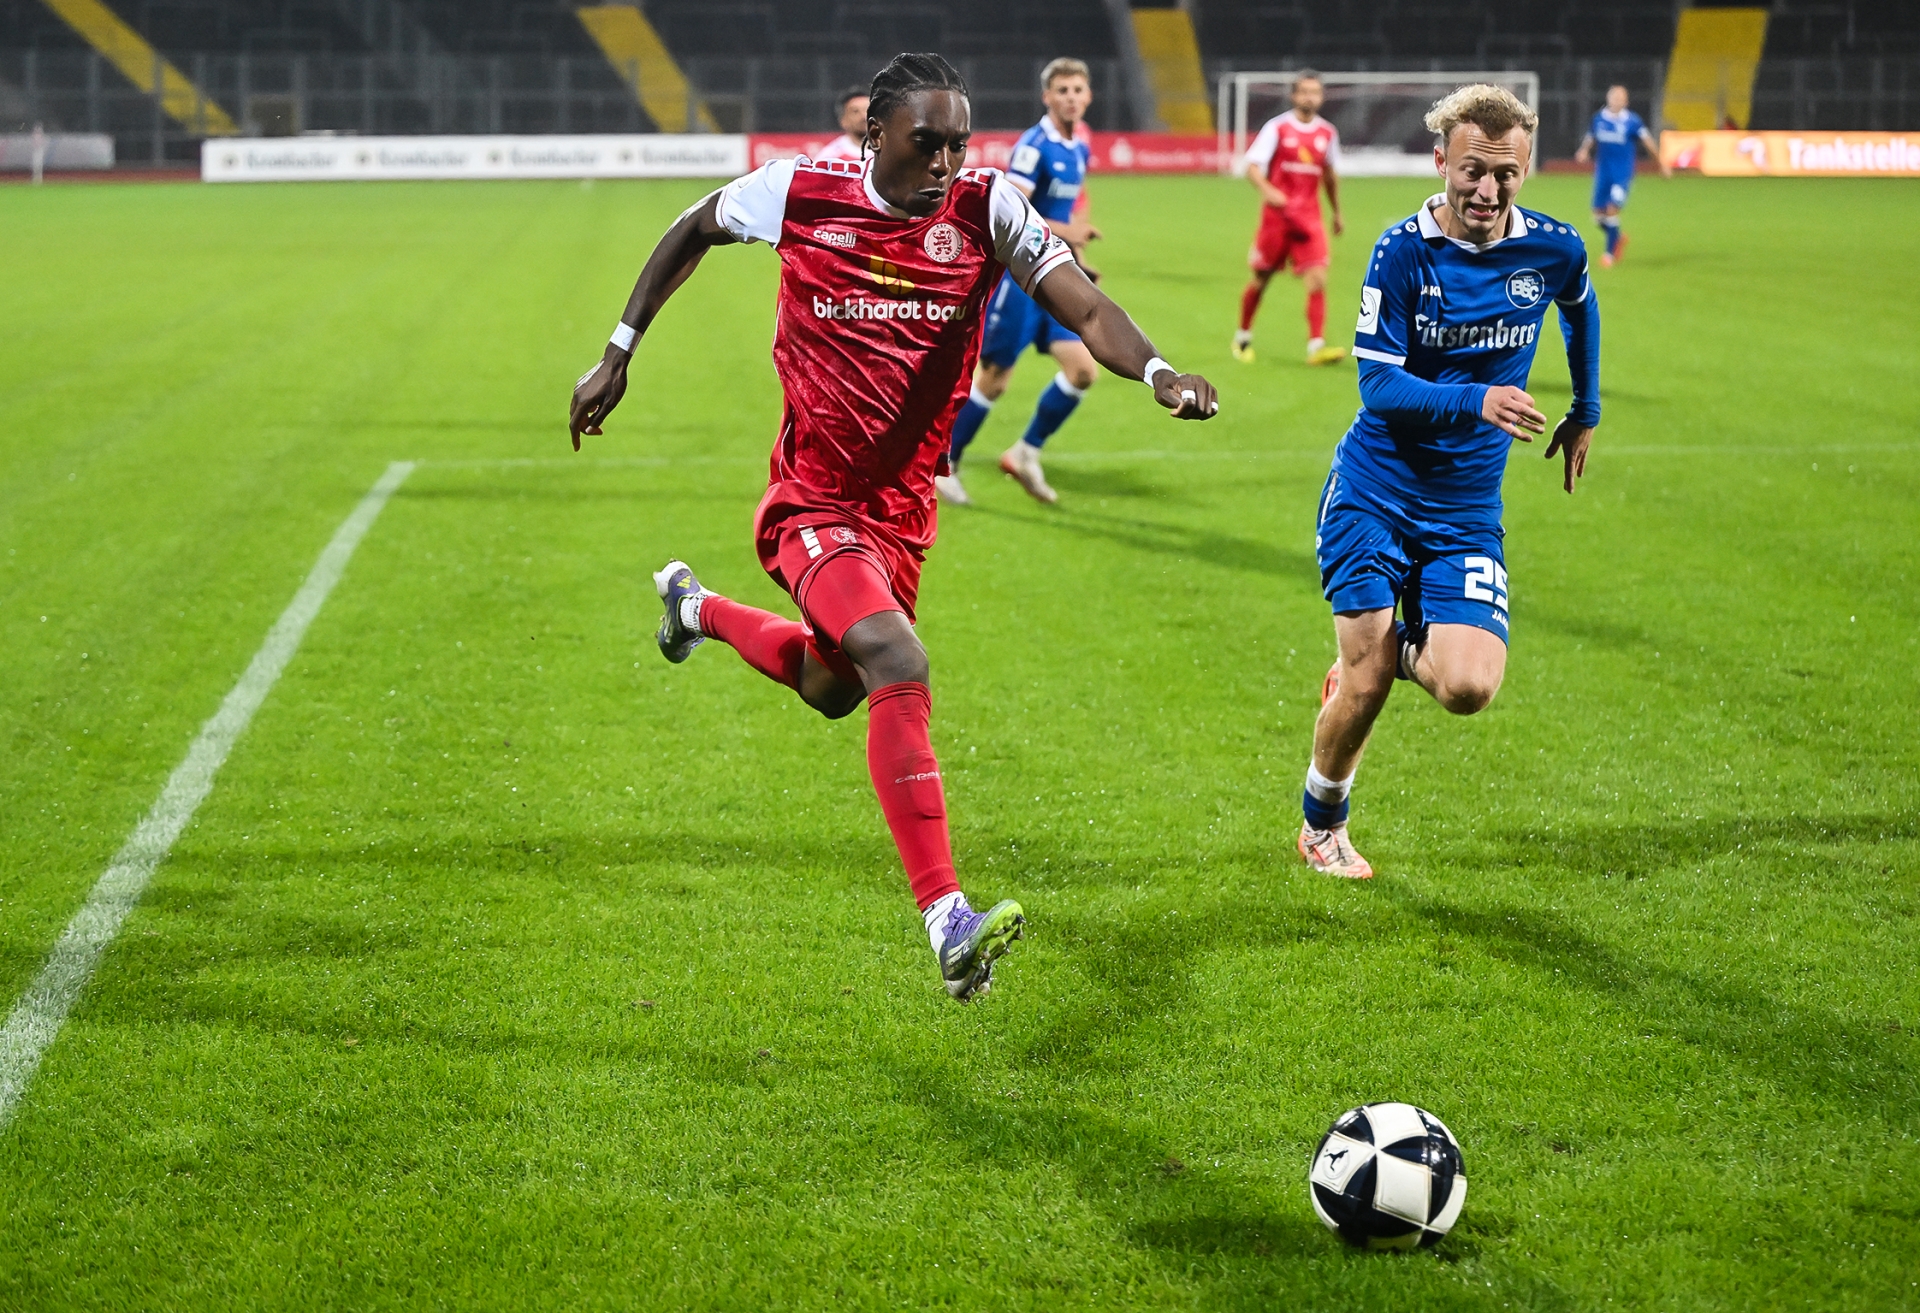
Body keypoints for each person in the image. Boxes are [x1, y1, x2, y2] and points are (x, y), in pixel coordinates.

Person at [568, 53, 1219, 998]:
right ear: (876, 134)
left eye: (959, 143)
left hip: (903, 513)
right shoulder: (802, 190)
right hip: (811, 498)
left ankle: (695, 609)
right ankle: (948, 919)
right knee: (896, 658)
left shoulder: (987, 208)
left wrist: (1159, 372)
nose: (947, 162)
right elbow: (692, 226)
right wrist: (617, 351)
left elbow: (1081, 300)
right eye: (928, 142)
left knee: (833, 686)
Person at [1296, 84, 1599, 879]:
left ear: (1525, 171)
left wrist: (1587, 408)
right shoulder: (1402, 252)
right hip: (1374, 490)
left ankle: (1389, 653)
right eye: (1473, 171)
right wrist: (1478, 399)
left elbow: (1580, 304)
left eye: (1506, 174)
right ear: (1441, 162)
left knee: (1468, 688)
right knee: (1363, 685)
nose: (1488, 191)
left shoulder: (1554, 248)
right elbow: (1377, 385)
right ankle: (1323, 825)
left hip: (1465, 508)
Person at [936, 57, 1100, 507]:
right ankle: (946, 465)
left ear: (1088, 96)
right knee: (994, 378)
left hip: (1057, 276)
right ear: (1047, 97)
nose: (1070, 98)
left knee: (1083, 370)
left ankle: (1025, 453)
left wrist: (1079, 261)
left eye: (1077, 90)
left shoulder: (1079, 145)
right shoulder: (1034, 146)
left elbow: (1070, 209)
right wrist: (1069, 233)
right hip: (1021, 279)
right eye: (1062, 90)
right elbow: (1015, 211)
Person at [1232, 71, 1347, 367]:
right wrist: (1268, 191)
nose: (1310, 97)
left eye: (1315, 92)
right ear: (1294, 96)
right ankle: (1242, 337)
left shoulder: (1327, 133)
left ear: (1321, 97)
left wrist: (1336, 212)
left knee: (1317, 279)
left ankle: (1316, 347)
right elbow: (1251, 167)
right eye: (1304, 92)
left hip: (1309, 219)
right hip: (1277, 220)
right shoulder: (1278, 128)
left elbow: (1329, 176)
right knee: (1261, 280)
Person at [1574, 85, 1667, 267]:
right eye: (1614, 97)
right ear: (1608, 98)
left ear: (1626, 101)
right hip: (1603, 173)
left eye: (1620, 98)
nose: (1617, 100)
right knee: (1597, 215)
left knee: (1612, 209)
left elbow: (1648, 142)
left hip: (1622, 174)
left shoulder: (1632, 121)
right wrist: (1583, 151)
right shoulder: (1599, 119)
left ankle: (1609, 255)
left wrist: (1661, 164)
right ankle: (1617, 236)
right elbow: (1590, 137)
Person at [815, 86, 870, 162]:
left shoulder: (887, 152)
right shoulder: (829, 158)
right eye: (855, 111)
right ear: (843, 120)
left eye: (868, 110)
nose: (864, 116)